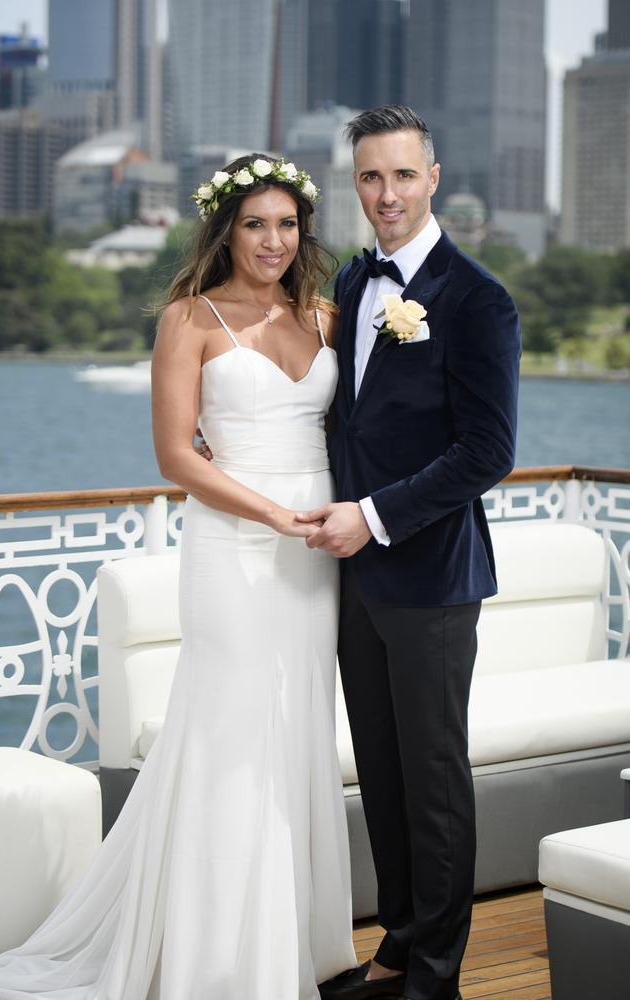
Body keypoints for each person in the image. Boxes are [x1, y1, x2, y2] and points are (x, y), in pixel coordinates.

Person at [0, 154, 356, 1000]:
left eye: (288, 224)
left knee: (297, 729)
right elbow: (174, 454)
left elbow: (359, 433)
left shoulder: (326, 316)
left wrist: (348, 516)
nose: (273, 241)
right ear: (223, 228)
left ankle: (295, 937)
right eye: (255, 223)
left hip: (317, 554)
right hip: (234, 544)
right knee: (232, 731)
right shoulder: (190, 318)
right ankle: (222, 957)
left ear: (306, 233)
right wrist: (268, 513)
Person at [299, 107, 521, 1000]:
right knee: (383, 776)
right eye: (368, 178)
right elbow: (339, 412)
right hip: (354, 578)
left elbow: (487, 452)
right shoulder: (354, 283)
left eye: (401, 176)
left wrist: (376, 517)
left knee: (432, 782)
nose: (385, 195)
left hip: (429, 577)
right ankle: (396, 950)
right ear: (355, 184)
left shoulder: (477, 299)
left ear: (433, 176)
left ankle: (436, 977)